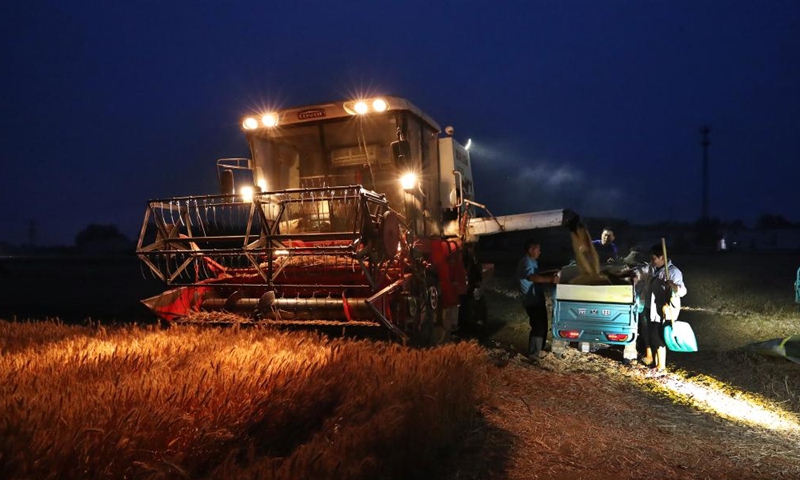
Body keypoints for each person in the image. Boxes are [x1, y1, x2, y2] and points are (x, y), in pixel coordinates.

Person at [646, 243, 687, 375]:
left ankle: (661, 367)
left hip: (666, 310)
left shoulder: (673, 271)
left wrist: (674, 286)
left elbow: (682, 291)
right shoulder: (655, 269)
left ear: (662, 257)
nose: (652, 261)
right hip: (654, 308)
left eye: (654, 259)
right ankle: (657, 364)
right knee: (654, 337)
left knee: (659, 338)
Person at [517, 239, 559, 363]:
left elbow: (537, 274)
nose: (540, 252)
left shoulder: (532, 261)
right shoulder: (526, 262)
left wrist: (550, 273)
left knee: (543, 324)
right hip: (531, 300)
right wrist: (551, 279)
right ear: (531, 250)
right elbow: (532, 277)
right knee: (538, 326)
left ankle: (538, 349)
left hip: (536, 298)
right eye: (538, 249)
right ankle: (533, 354)